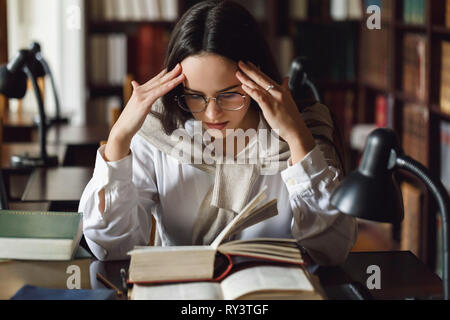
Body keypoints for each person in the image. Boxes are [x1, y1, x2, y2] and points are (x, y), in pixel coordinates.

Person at [79, 0, 358, 265]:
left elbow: (333, 249)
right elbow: (111, 248)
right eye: (195, 96)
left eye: (228, 95)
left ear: (257, 78)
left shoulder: (305, 128)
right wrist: (118, 139)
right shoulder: (160, 133)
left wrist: (297, 140)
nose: (212, 114)